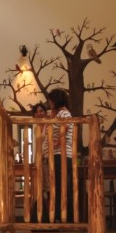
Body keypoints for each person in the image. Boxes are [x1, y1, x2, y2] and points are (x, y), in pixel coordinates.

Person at [42, 88, 74, 222]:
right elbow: (47, 130)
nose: (49, 104)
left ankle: (63, 217)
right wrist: (52, 116)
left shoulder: (64, 113)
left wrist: (57, 143)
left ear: (55, 100)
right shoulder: (57, 114)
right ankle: (59, 216)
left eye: (50, 101)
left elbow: (64, 127)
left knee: (60, 187)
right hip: (56, 155)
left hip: (60, 155)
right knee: (57, 186)